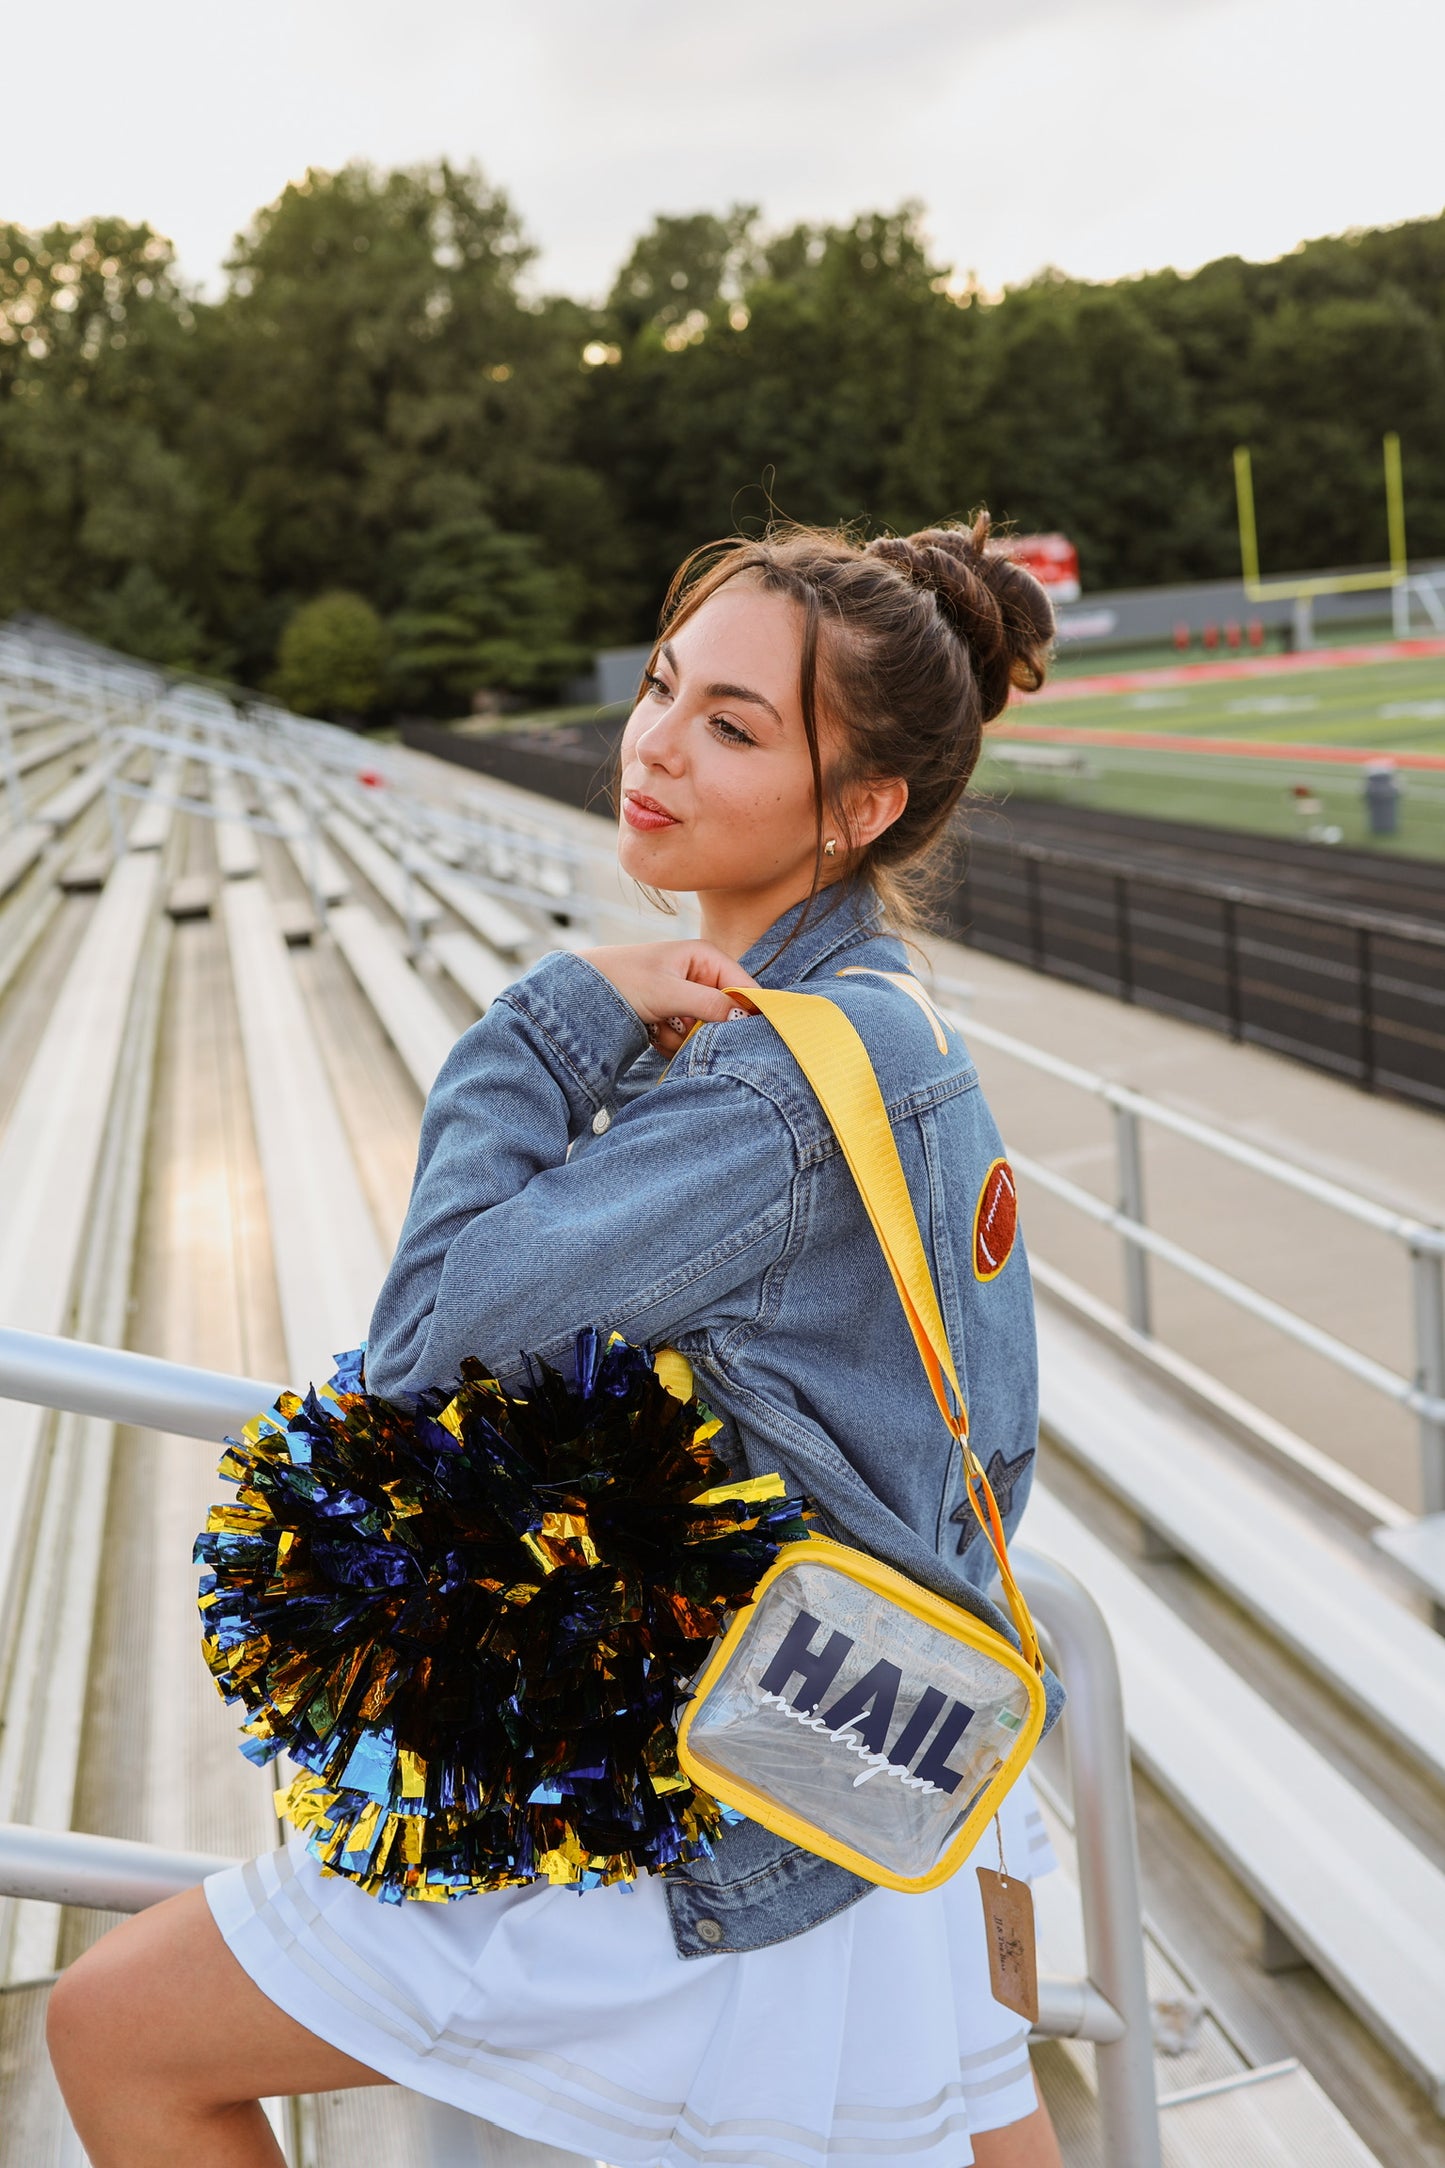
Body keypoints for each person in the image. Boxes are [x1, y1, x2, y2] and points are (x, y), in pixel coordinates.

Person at [48, 514, 1063, 2168]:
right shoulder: (895, 1026)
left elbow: (424, 1352)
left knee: (116, 2037)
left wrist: (552, 1015)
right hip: (869, 1757)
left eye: (733, 726)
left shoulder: (772, 1079)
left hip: (726, 1794)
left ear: (861, 805)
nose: (653, 745)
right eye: (662, 689)